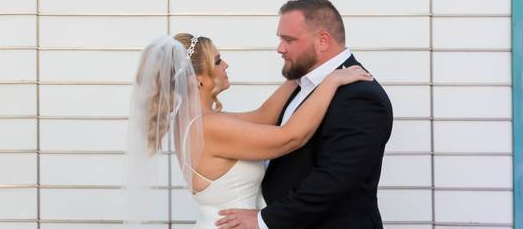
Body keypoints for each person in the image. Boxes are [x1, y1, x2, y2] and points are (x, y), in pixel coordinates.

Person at [124, 20, 372, 229]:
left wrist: (302, 73)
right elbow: (291, 137)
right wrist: (332, 80)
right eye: (218, 60)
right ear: (197, 77)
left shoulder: (191, 120)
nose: (226, 66)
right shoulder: (210, 127)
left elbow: (264, 116)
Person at [218, 0, 394, 228]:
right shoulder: (301, 82)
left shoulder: (360, 97)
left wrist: (264, 220)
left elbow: (334, 181)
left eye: (288, 40)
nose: (280, 48)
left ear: (323, 41)